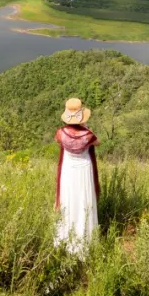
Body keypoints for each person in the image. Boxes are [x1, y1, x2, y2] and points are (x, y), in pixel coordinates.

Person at [54, 97, 100, 254]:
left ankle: (67, 238)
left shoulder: (61, 133)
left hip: (68, 171)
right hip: (83, 171)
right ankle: (85, 240)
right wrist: (86, 128)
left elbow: (59, 142)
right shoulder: (88, 136)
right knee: (84, 202)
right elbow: (98, 142)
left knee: (69, 201)